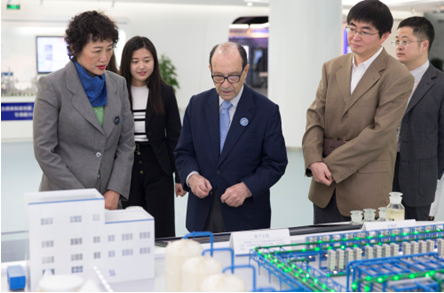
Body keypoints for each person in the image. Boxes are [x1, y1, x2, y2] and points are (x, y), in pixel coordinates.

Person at [302, 0, 414, 224]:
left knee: (359, 255)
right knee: (322, 252)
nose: (355, 36)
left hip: (365, 187)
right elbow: (315, 116)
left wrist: (329, 165)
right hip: (323, 185)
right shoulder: (332, 67)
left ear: (384, 36)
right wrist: (313, 160)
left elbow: (380, 133)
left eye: (365, 31)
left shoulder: (398, 76)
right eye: (351, 28)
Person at [174, 42, 287, 233]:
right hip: (202, 213)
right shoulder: (196, 105)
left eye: (233, 76)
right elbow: (184, 152)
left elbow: (275, 163)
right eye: (218, 77)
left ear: (245, 71)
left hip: (246, 216)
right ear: (210, 70)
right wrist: (192, 178)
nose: (225, 84)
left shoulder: (266, 111)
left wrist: (246, 188)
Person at [33, 11, 135, 210]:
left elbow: (126, 143)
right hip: (63, 197)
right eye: (97, 50)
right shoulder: (53, 86)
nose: (104, 58)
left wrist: (115, 190)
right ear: (75, 47)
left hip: (108, 200)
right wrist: (82, 196)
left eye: (109, 49)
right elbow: (44, 151)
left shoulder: (118, 84)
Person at [119, 36, 185, 238]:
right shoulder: (117, 90)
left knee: (161, 225)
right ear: (126, 62)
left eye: (147, 60)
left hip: (158, 165)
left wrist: (179, 176)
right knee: (131, 224)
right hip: (127, 164)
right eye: (135, 61)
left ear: (154, 61)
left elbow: (175, 135)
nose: (141, 66)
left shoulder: (164, 92)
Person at [392, 16, 444, 220]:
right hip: (385, 174)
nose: (399, 46)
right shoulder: (389, 81)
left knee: (415, 240)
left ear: (424, 45)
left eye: (405, 41)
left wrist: (430, 171)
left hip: (420, 179)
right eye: (396, 41)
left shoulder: (440, 84)